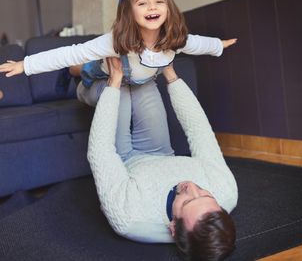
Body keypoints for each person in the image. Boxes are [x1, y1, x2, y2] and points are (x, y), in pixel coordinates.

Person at [88, 57, 237, 260]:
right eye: (205, 194)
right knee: (144, 79)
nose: (191, 186)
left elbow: (100, 151)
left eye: (186, 202)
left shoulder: (130, 217)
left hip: (123, 161)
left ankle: (78, 80)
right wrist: (170, 73)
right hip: (160, 152)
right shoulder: (226, 189)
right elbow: (199, 131)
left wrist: (114, 81)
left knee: (119, 89)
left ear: (173, 228)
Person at [0, 0, 237, 94]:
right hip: (108, 67)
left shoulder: (174, 39)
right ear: (130, 12)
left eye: (158, 1)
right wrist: (26, 65)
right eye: (142, 3)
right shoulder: (115, 41)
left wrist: (219, 45)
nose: (152, 8)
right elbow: (72, 52)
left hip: (139, 79)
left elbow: (196, 43)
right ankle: (70, 73)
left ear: (168, 7)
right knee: (87, 68)